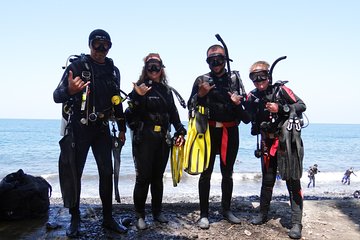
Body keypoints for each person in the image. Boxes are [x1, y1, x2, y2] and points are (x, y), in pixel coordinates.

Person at [53, 29, 127, 237]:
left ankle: (108, 218)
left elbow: (116, 101)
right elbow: (56, 96)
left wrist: (122, 128)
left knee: (106, 173)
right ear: (90, 45)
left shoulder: (114, 71)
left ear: (110, 46)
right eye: (97, 44)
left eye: (105, 45)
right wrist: (70, 90)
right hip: (80, 127)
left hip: (102, 129)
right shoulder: (76, 67)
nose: (101, 49)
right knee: (74, 173)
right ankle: (75, 220)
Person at [187, 44, 249, 229]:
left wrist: (238, 102)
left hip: (230, 132)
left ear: (225, 60)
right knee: (205, 174)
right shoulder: (202, 79)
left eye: (219, 59)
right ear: (207, 62)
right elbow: (189, 105)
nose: (215, 63)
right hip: (208, 132)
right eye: (211, 60)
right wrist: (200, 94)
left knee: (227, 173)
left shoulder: (234, 78)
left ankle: (226, 210)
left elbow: (244, 102)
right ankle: (204, 214)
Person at [245, 60, 306, 239]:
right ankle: (262, 214)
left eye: (262, 76)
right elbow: (246, 115)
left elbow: (302, 105)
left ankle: (296, 223)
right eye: (254, 78)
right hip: (267, 142)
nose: (258, 81)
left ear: (268, 76)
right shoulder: (252, 96)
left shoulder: (281, 90)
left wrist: (281, 108)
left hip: (285, 142)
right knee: (267, 180)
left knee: (292, 180)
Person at [125, 53, 186, 230]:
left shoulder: (167, 91)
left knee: (157, 178)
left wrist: (180, 130)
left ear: (161, 69)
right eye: (150, 65)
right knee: (143, 178)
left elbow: (173, 114)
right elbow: (129, 114)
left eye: (156, 66)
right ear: (145, 68)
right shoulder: (138, 89)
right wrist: (137, 96)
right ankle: (139, 215)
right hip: (144, 139)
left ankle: (157, 212)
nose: (153, 69)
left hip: (162, 139)